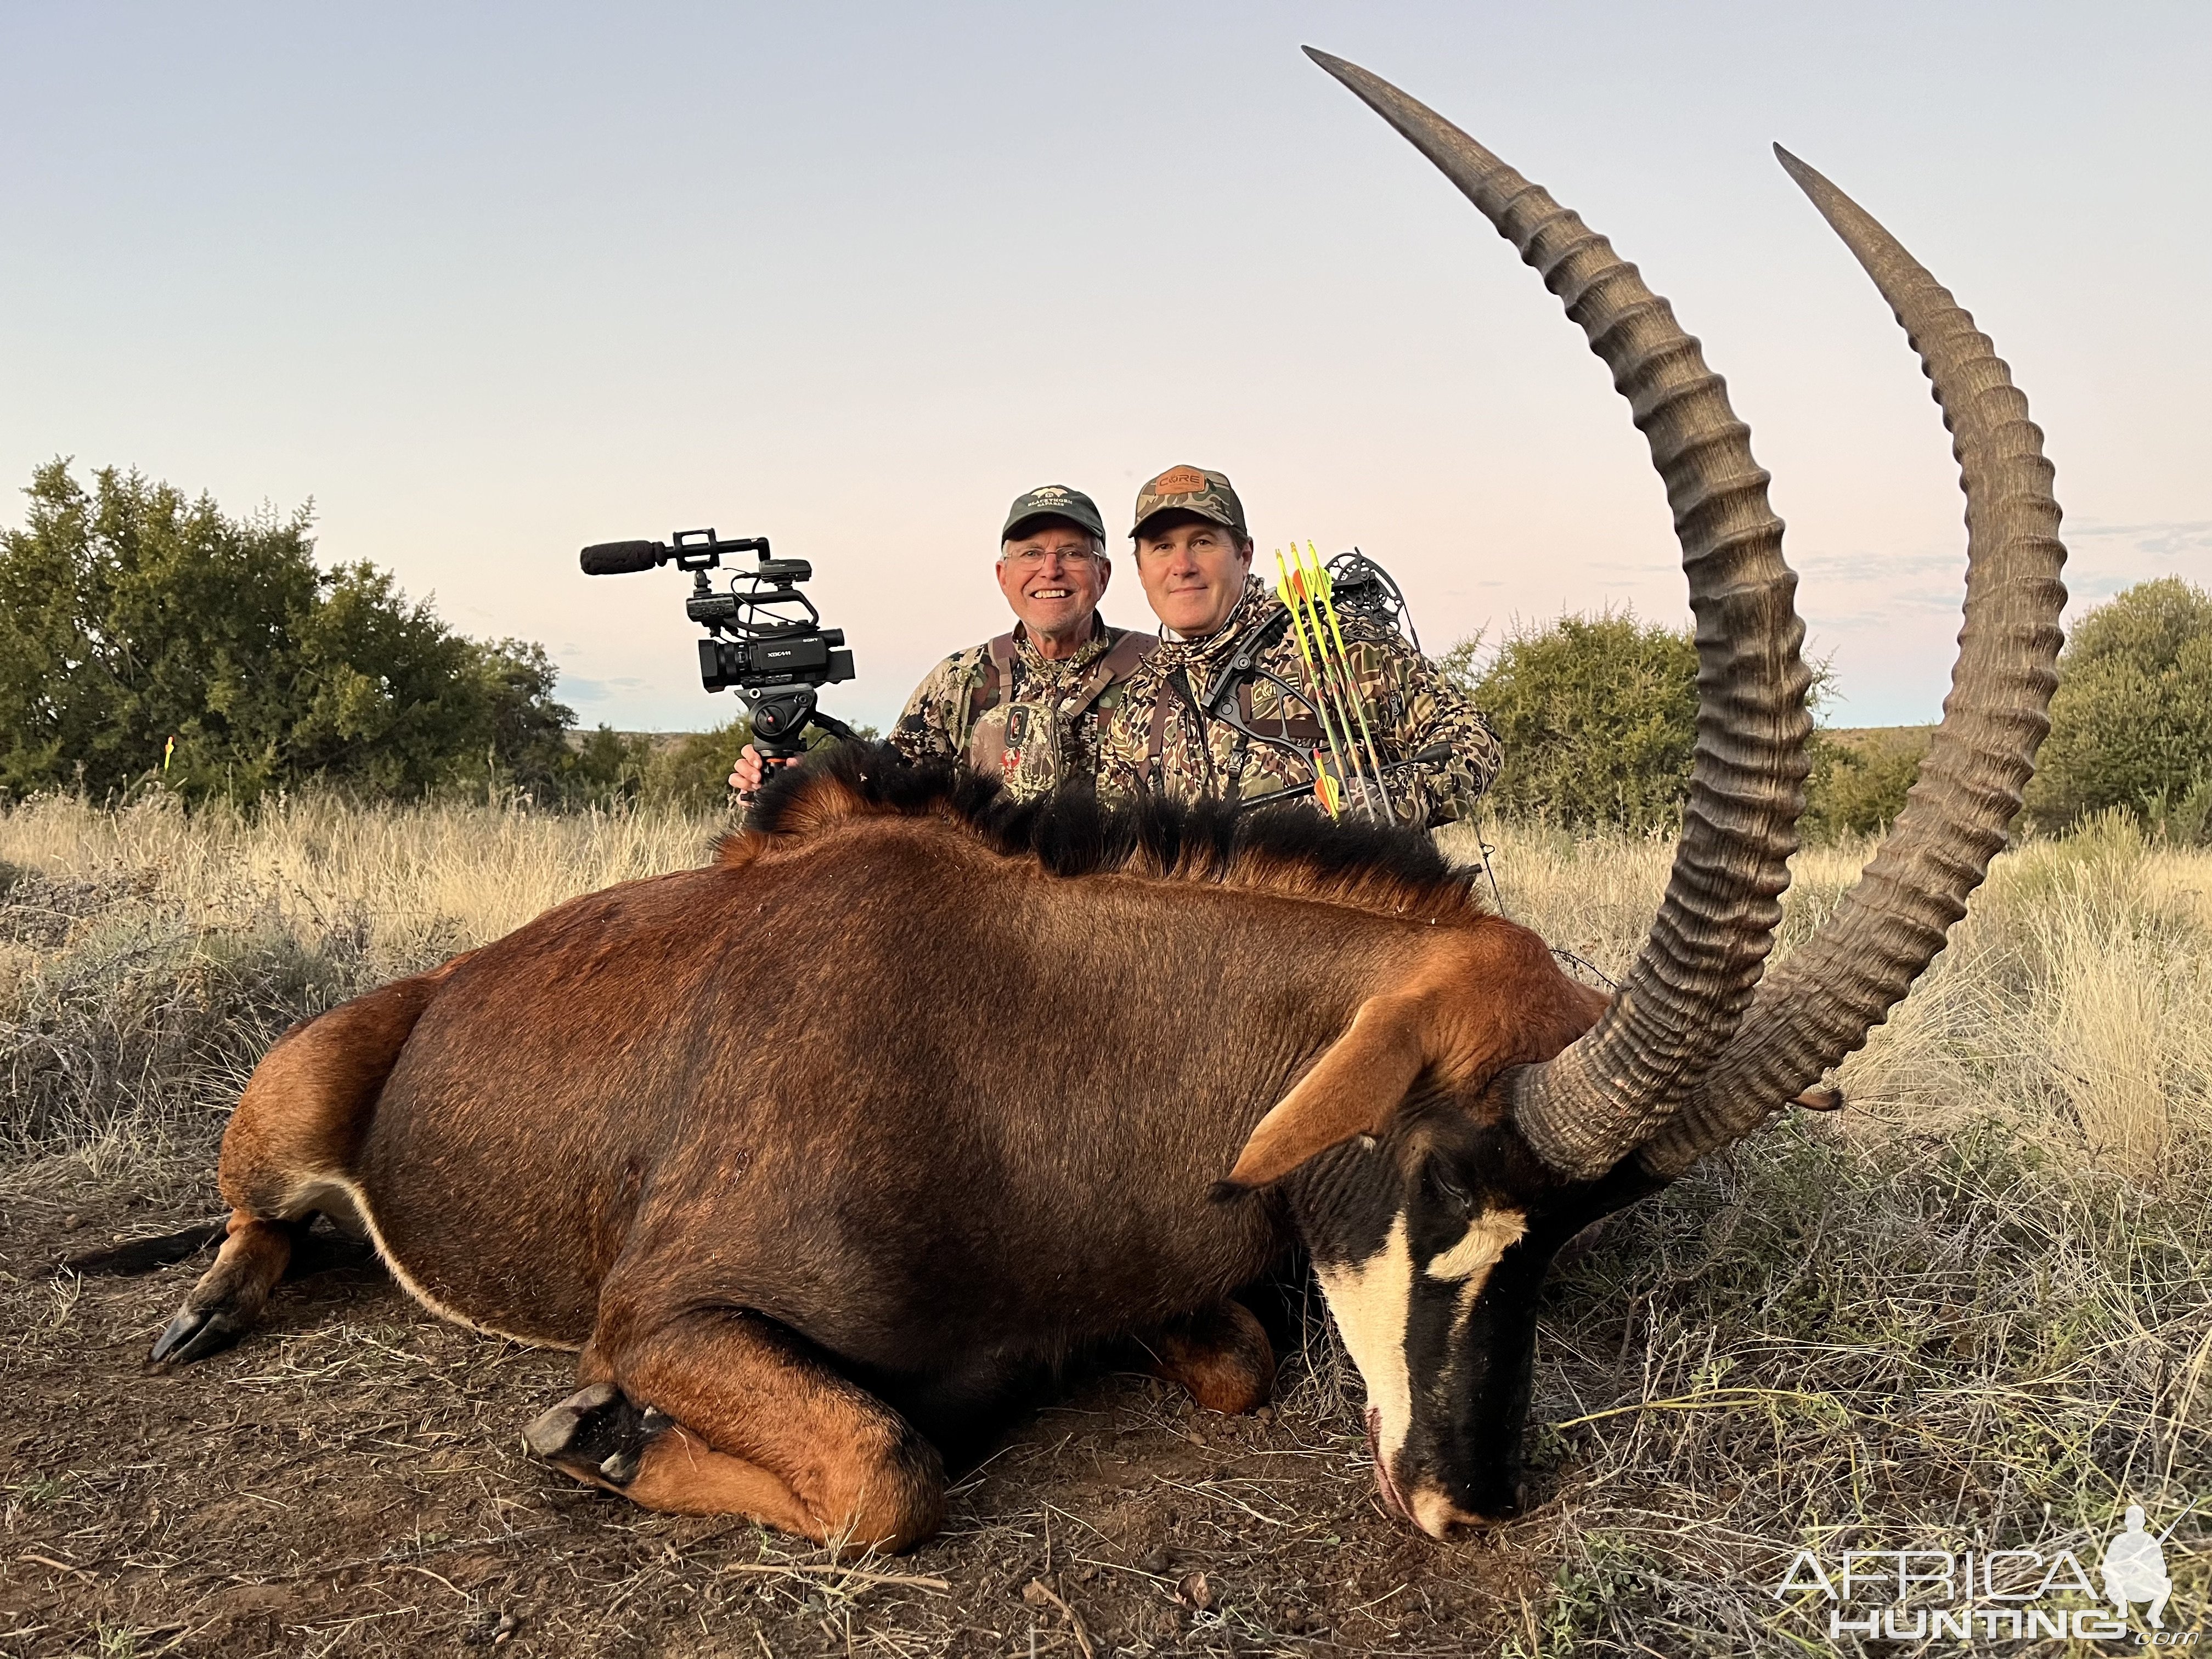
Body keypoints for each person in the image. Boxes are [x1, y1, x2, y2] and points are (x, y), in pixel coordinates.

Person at [1094, 464, 1500, 825]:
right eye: (1163, 547)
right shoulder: (1135, 700)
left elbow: (1474, 741)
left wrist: (1391, 801)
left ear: (1244, 554)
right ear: (1142, 570)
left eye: (1202, 542)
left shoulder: (1338, 644)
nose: (1182, 566)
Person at [731, 485, 1152, 800]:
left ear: (1104, 574)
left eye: (1073, 553)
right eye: (1030, 554)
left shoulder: (1159, 671)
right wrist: (790, 788)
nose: (1051, 570)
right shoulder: (958, 682)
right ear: (1003, 577)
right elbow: (884, 803)